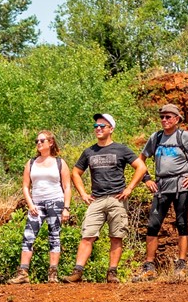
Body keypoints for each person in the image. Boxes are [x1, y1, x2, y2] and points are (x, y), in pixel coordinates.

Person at [63, 113, 148, 284]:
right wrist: (83, 193)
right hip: (97, 199)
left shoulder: (121, 149)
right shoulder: (89, 151)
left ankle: (112, 273)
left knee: (116, 236)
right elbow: (75, 172)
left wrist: (129, 188)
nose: (98, 129)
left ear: (111, 129)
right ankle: (77, 272)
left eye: (102, 126)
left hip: (117, 199)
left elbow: (141, 166)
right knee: (87, 235)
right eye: (96, 126)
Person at [132, 104, 188, 281]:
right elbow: (140, 159)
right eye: (162, 117)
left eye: (168, 117)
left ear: (177, 119)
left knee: (181, 223)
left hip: (181, 185)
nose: (164, 120)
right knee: (153, 225)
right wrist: (147, 178)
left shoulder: (184, 136)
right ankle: (149, 267)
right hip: (161, 185)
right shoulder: (155, 137)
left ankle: (181, 265)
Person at [8, 131, 72, 284]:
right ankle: (23, 273)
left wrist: (66, 208)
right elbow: (25, 186)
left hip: (55, 202)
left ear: (50, 142)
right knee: (28, 236)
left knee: (54, 236)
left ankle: (52, 274)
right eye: (37, 141)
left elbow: (67, 186)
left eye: (42, 140)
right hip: (36, 204)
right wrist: (30, 204)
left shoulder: (59, 163)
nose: (38, 143)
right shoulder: (31, 163)